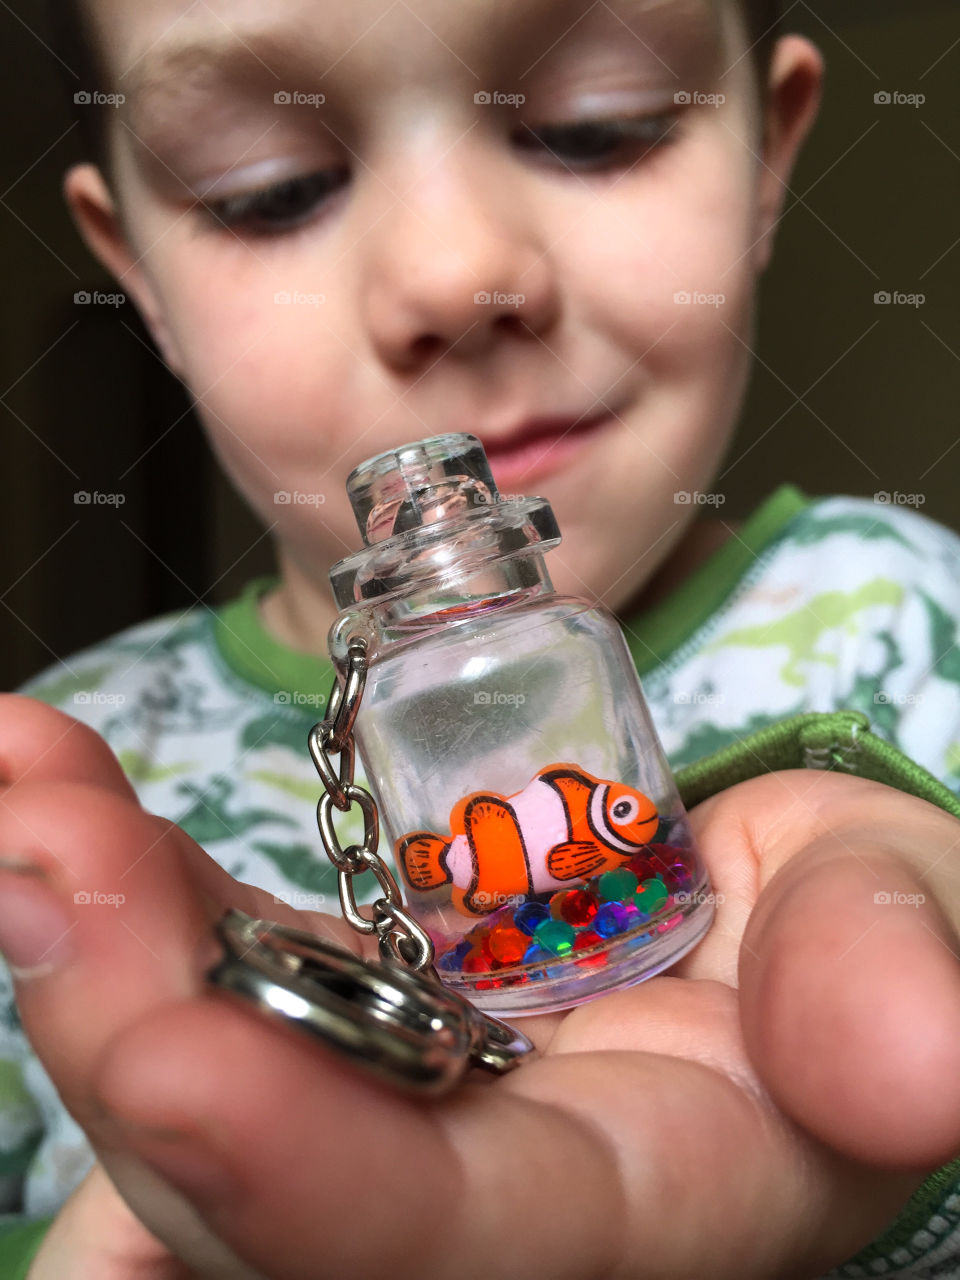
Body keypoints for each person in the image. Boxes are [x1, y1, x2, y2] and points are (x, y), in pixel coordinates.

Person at [1, 0, 959, 1275]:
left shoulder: (905, 608)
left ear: (772, 155)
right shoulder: (79, 765)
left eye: (593, 127)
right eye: (269, 190)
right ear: (140, 280)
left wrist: (893, 1171)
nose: (456, 275)